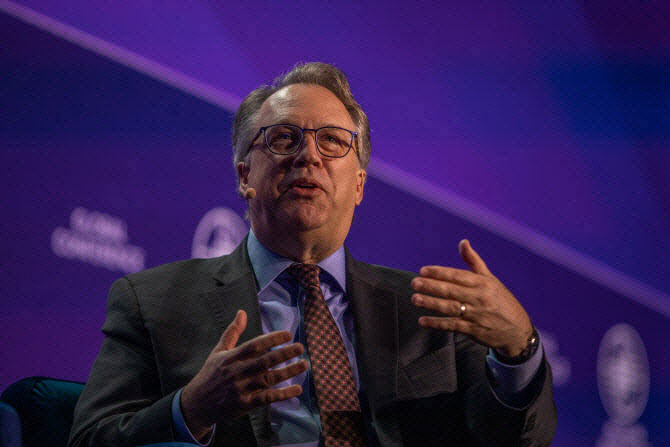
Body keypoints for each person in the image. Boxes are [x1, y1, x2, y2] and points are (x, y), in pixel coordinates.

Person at [69, 62, 556, 447]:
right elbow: (91, 438)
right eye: (284, 138)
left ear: (359, 185)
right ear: (245, 176)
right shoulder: (154, 301)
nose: (309, 156)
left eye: (333, 141)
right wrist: (192, 408)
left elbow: (518, 439)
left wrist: (519, 348)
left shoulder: (429, 312)